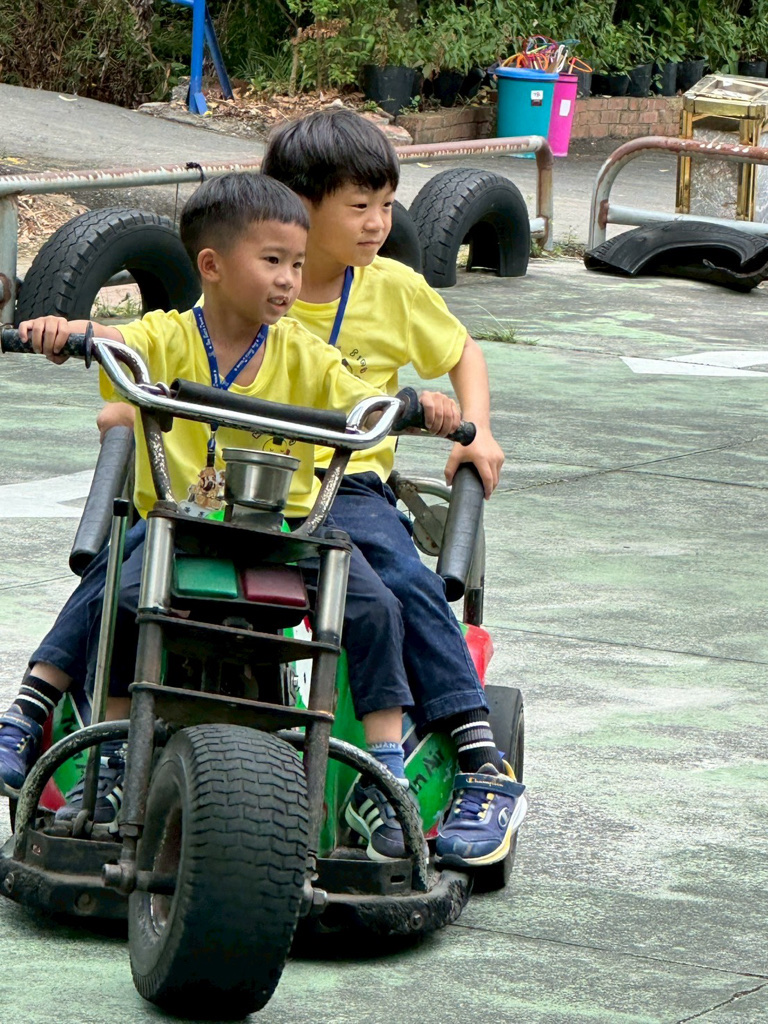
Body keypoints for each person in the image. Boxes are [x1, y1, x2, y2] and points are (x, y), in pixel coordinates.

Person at [68, 110, 529, 869]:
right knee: (123, 560)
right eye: (360, 206)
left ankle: (479, 757)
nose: (379, 223)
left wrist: (474, 432)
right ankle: (61, 716)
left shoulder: (390, 290)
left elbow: (461, 353)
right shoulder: (234, 292)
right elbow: (153, 356)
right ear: (293, 206)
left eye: (387, 206)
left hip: (345, 484)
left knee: (395, 579)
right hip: (234, 485)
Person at [0, 171, 463, 862]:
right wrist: (63, 332)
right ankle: (86, 739)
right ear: (212, 266)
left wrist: (417, 406)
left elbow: (357, 395)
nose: (288, 280)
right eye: (273, 261)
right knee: (120, 590)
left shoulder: (304, 354)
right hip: (182, 529)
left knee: (372, 604)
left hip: (287, 532)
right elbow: (114, 339)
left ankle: (385, 768)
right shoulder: (166, 337)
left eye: (296, 264)